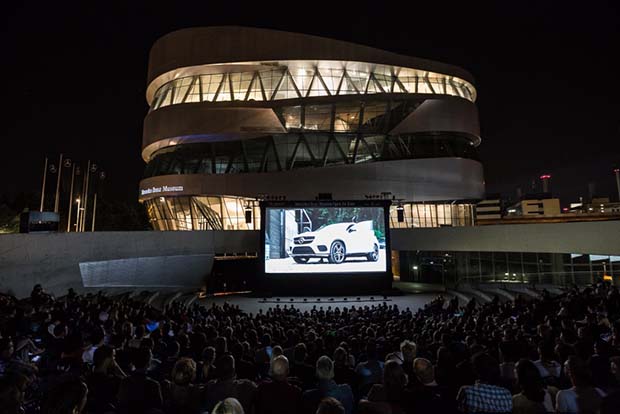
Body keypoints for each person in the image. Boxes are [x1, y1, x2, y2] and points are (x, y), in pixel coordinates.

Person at [117, 347, 163, 414]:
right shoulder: (153, 384)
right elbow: (158, 405)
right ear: (148, 363)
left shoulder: (125, 382)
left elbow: (121, 402)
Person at [85, 345, 126, 414]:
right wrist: (118, 369)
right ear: (107, 359)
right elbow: (129, 384)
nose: (114, 360)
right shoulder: (114, 381)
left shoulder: (87, 375)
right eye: (113, 356)